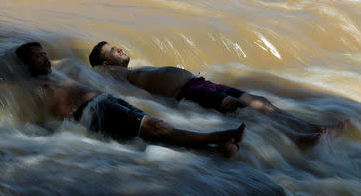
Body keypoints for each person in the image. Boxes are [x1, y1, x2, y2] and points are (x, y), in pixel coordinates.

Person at [0, 42, 246, 158]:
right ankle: (216, 137)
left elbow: (71, 63)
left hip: (105, 102)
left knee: (153, 133)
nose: (45, 57)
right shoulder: (26, 86)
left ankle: (215, 148)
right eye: (37, 56)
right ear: (26, 65)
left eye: (45, 52)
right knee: (153, 129)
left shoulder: (58, 71)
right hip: (90, 112)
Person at [88, 41, 350, 146]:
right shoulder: (110, 75)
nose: (119, 48)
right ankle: (297, 139)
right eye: (112, 50)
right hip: (188, 91)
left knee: (260, 102)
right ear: (105, 64)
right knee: (240, 106)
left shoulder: (130, 69)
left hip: (201, 83)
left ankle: (314, 128)